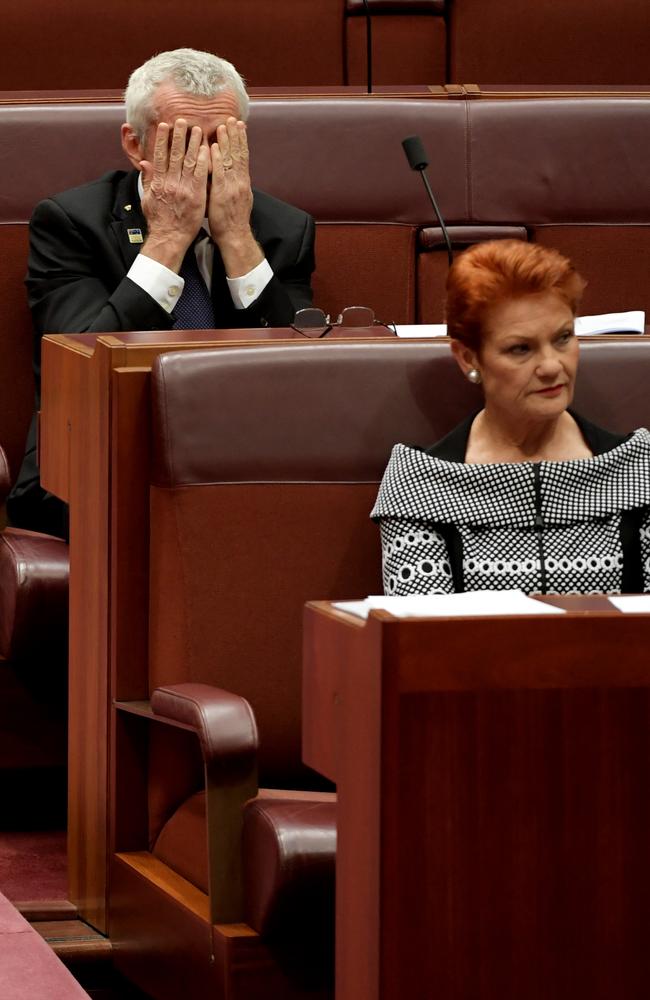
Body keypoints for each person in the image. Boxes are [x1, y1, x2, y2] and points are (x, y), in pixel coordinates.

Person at [8, 47, 315, 537]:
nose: (204, 162)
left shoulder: (281, 230)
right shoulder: (72, 223)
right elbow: (83, 368)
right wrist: (169, 239)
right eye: (184, 142)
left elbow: (305, 373)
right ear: (135, 144)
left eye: (219, 141)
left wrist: (236, 237)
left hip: (237, 463)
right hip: (90, 464)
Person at [372, 240, 650, 596]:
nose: (552, 366)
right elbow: (425, 644)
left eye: (563, 338)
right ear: (469, 358)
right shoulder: (421, 484)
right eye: (521, 348)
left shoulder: (638, 468)